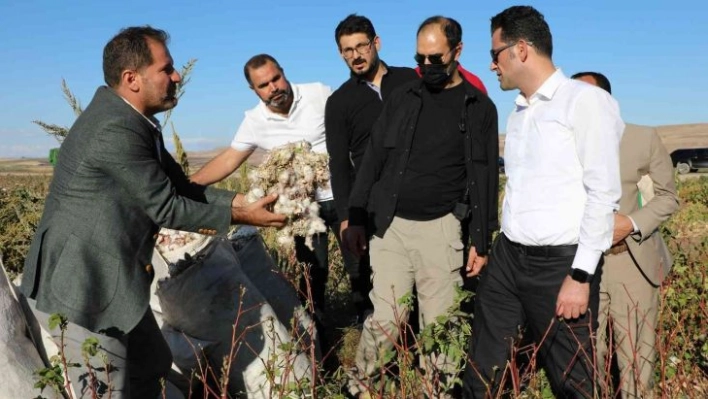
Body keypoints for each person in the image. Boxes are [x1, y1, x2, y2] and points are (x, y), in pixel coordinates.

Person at [20, 26, 285, 398]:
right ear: (132, 79)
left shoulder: (137, 121)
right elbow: (166, 206)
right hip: (81, 286)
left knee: (152, 364)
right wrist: (243, 218)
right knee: (107, 388)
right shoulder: (116, 128)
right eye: (167, 69)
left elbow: (181, 187)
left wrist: (239, 203)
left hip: (115, 279)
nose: (176, 77)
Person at [462, 6, 624, 398]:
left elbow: (603, 194)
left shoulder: (585, 102)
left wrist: (581, 275)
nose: (491, 65)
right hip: (509, 257)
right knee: (482, 368)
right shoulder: (519, 111)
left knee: (573, 378)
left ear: (520, 50)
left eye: (494, 54)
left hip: (561, 265)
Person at [345, 16, 499, 396]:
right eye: (420, 59)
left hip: (442, 228)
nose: (427, 67)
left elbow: (484, 179)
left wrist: (481, 239)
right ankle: (363, 389)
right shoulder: (404, 97)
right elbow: (374, 159)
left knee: (441, 325)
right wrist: (357, 216)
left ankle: (439, 391)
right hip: (391, 226)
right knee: (386, 320)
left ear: (457, 52)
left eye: (436, 59)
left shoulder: (478, 107)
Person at [190, 55, 340, 331]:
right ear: (254, 90)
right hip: (302, 211)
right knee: (311, 277)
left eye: (276, 79)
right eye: (264, 85)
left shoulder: (319, 94)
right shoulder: (254, 120)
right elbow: (229, 160)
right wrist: (188, 185)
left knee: (361, 268)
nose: (273, 88)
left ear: (284, 73)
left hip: (341, 198)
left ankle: (372, 328)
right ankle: (319, 343)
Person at [572, 71, 679, 398]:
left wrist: (631, 223)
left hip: (631, 263)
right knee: (585, 357)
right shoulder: (559, 145)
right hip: (577, 269)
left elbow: (668, 197)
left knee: (636, 358)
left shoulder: (641, 138)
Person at [325, 14, 419, 322]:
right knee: (385, 282)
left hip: (422, 194)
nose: (355, 55)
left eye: (360, 46)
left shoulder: (411, 81)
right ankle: (389, 350)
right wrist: (346, 217)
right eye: (347, 50)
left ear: (375, 43)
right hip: (376, 204)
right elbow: (339, 164)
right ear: (341, 53)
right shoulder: (339, 102)